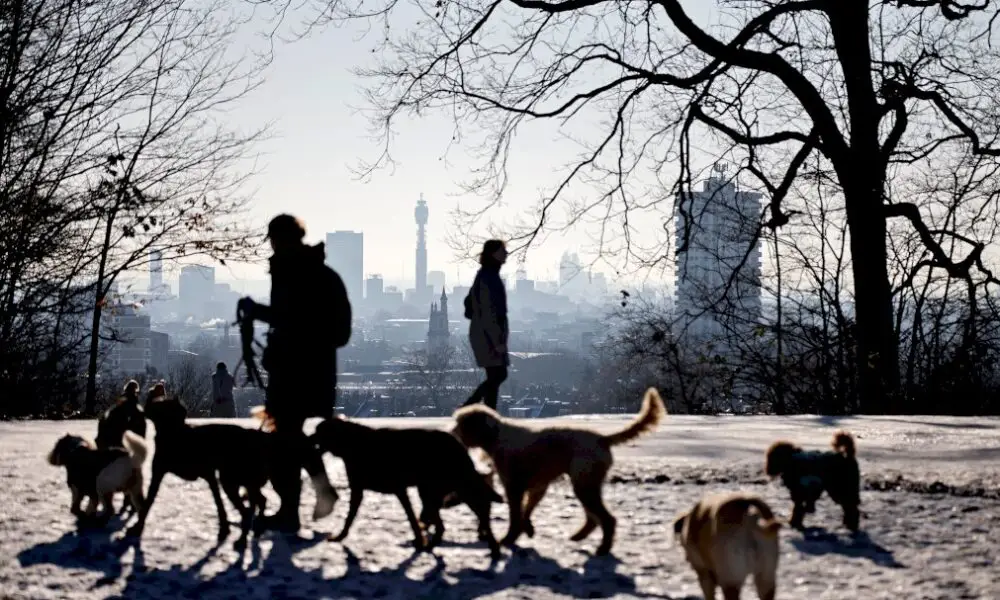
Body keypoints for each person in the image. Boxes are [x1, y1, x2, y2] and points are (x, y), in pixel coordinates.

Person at [237, 214, 352, 533]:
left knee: (286, 439)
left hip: (296, 372)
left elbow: (292, 320)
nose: (271, 246)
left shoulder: (296, 275)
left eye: (273, 239)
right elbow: (326, 328)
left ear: (281, 240)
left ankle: (305, 500)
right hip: (307, 370)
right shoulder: (318, 274)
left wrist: (262, 316)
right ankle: (304, 501)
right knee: (288, 440)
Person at [461, 239, 510, 410]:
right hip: (488, 336)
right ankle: (468, 408)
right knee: (498, 374)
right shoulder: (489, 277)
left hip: (484, 334)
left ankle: (488, 415)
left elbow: (471, 302)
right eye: (502, 250)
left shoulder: (486, 274)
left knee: (495, 375)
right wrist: (497, 341)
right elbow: (490, 313)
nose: (506, 253)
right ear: (493, 253)